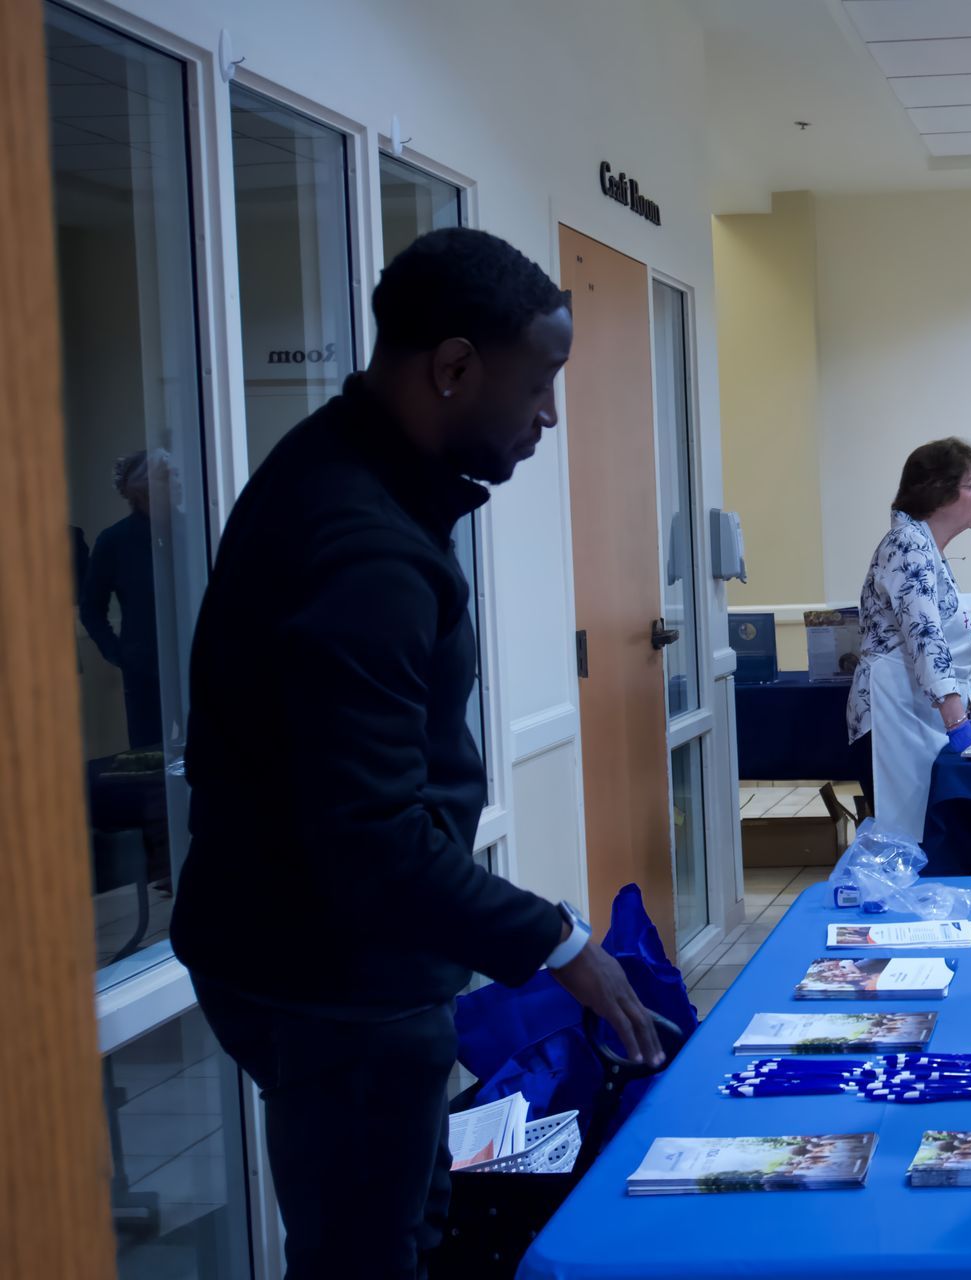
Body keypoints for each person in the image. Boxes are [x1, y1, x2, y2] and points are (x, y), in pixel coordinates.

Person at [171, 228, 666, 1280]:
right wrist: (560, 942)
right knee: (369, 1250)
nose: (548, 415)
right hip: (333, 971)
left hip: (306, 944)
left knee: (403, 1221)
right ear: (452, 367)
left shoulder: (341, 465)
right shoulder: (364, 544)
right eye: (539, 385)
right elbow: (375, 839)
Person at [846, 438, 971, 873]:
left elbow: (953, 639)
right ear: (939, 491)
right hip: (892, 715)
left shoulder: (927, 546)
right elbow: (924, 637)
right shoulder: (907, 545)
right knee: (913, 848)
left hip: (917, 711)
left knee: (949, 837)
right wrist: (957, 721)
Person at [82, 449, 169, 747]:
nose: (179, 483)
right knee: (150, 758)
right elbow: (91, 607)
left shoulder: (194, 530)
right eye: (168, 477)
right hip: (144, 672)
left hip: (198, 665)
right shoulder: (115, 541)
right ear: (144, 489)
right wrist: (118, 654)